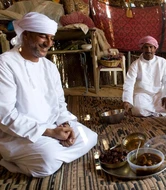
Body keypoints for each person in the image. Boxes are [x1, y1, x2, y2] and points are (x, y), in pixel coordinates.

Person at [0, 12, 98, 178]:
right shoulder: (6, 63)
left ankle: (51, 153)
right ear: (26, 34)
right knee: (48, 161)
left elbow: (59, 105)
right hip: (20, 136)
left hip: (54, 128)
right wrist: (50, 132)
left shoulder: (50, 67)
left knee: (90, 137)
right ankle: (13, 161)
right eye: (43, 36)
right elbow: (6, 115)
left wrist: (65, 125)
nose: (48, 43)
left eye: (51, 38)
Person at [122, 36, 166, 117]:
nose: (148, 50)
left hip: (159, 94)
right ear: (142, 49)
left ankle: (152, 112)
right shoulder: (135, 64)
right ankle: (155, 112)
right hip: (142, 94)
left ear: (155, 48)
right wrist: (127, 100)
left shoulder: (162, 62)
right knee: (138, 110)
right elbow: (129, 83)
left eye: (151, 47)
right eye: (146, 47)